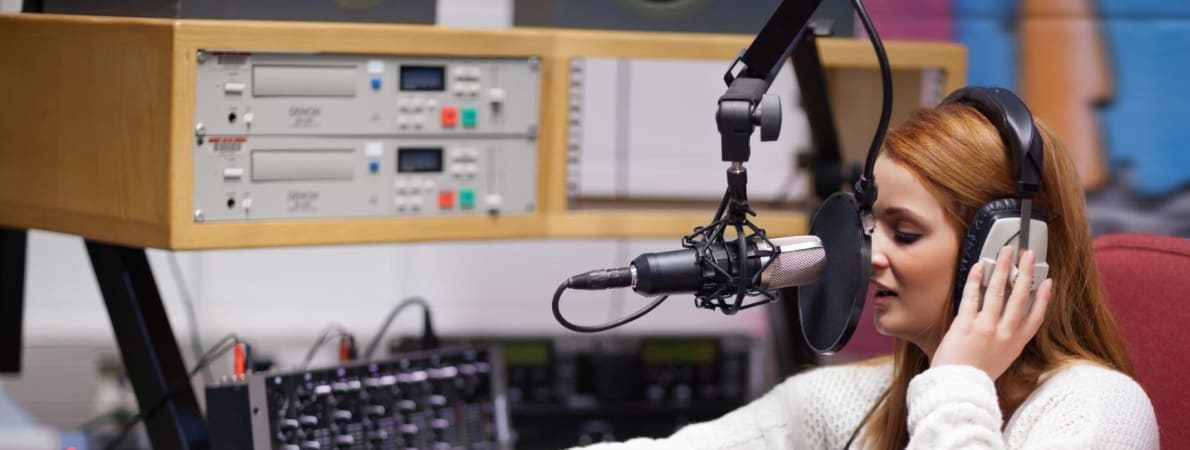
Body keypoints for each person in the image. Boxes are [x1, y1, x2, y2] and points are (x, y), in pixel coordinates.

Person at [577, 94, 1159, 449]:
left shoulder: (1100, 411)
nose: (869, 253)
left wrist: (958, 379)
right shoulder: (861, 400)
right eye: (870, 226)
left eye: (904, 233)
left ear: (1007, 248)